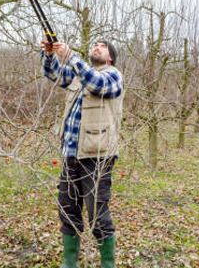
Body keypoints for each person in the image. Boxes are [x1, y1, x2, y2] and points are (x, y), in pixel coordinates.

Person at [41, 40, 124, 268]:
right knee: (68, 210)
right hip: (70, 156)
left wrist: (70, 56)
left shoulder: (112, 76)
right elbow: (55, 75)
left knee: (98, 216)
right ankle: (70, 263)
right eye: (94, 45)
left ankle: (108, 265)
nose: (96, 48)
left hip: (97, 158)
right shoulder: (79, 76)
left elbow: (97, 83)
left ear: (110, 57)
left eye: (102, 46)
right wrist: (50, 55)